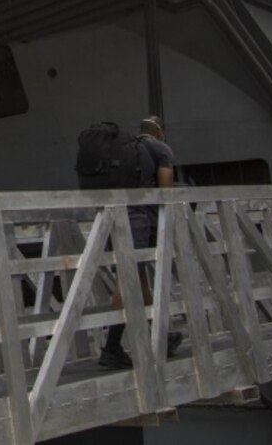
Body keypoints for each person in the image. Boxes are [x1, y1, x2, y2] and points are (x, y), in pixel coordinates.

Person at [99, 115, 181, 370]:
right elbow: (164, 191)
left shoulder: (128, 148)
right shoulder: (161, 149)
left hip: (114, 217)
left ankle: (160, 336)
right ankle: (111, 347)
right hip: (140, 221)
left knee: (139, 279)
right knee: (129, 281)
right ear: (160, 132)